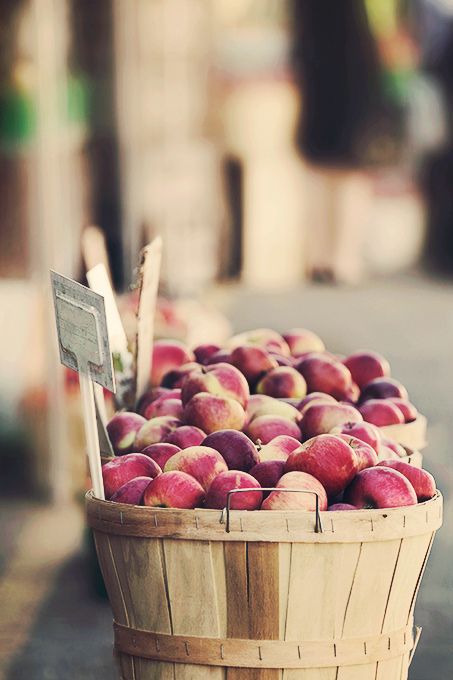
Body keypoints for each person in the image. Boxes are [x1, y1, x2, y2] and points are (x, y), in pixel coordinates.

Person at [290, 0, 382, 283]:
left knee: (323, 173)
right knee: (346, 174)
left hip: (320, 83)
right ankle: (340, 258)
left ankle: (321, 257)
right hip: (347, 84)